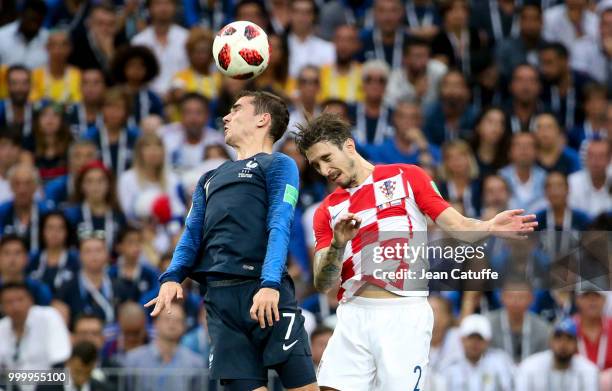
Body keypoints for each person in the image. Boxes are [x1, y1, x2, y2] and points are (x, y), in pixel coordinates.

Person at [294, 113, 537, 390]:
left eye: (327, 158)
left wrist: (490, 226)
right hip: (354, 313)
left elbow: (457, 226)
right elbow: (322, 282)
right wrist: (338, 243)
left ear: (348, 146)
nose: (325, 171)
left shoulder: (406, 176)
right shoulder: (326, 210)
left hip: (403, 313)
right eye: (316, 165)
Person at [146, 91, 318, 391]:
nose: (226, 117)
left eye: (237, 110)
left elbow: (280, 224)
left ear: (263, 119)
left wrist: (269, 284)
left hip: (264, 292)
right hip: (221, 301)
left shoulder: (279, 164)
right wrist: (172, 275)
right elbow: (191, 233)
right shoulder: (208, 178)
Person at [124, 302, 205, 390]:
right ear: (155, 323)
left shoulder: (195, 363)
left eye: (177, 320)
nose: (172, 324)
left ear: (184, 326)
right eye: (167, 319)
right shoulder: (133, 360)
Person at [0, 282, 71, 370]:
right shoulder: (1, 327)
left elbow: (60, 362)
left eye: (20, 300)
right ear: (2, 307)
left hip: (50, 380)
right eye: (9, 302)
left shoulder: (49, 316)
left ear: (31, 300)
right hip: (9, 382)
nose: (15, 307)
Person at [515, 317, 600, 391]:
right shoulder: (530, 367)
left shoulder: (588, 370)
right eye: (558, 337)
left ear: (576, 344)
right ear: (550, 341)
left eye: (569, 338)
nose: (563, 344)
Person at [131, 0, 188, 96]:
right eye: (158, 3)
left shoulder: (186, 38)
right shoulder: (138, 42)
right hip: (148, 99)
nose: (163, 8)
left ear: (174, 7)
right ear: (149, 8)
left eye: (167, 3)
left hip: (181, 98)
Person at [486, 281, 551, 364]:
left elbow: (544, 360)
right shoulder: (488, 324)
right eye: (510, 296)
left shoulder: (543, 328)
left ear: (531, 299)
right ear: (501, 298)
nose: (515, 301)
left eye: (521, 297)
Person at [444, 314, 515, 391]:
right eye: (470, 338)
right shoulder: (449, 365)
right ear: (462, 339)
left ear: (488, 341)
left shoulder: (500, 363)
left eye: (480, 338)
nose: (474, 343)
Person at [158, 92, 225, 173]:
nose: (193, 118)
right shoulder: (164, 135)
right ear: (180, 115)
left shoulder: (219, 141)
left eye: (198, 112)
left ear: (208, 116)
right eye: (188, 112)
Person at [0, 163, 54, 252]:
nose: (22, 189)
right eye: (17, 183)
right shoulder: (2, 211)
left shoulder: (47, 212)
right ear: (10, 186)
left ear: (36, 186)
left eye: (28, 183)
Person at [384, 37, 447, 107]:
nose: (422, 60)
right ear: (405, 59)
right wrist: (414, 93)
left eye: (425, 56)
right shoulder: (395, 77)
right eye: (417, 56)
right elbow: (390, 104)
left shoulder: (439, 70)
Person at [27, 211, 79, 294]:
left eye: (60, 228)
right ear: (42, 231)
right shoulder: (31, 260)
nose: (54, 233)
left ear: (67, 232)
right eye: (50, 228)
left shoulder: (77, 261)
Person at [30, 29, 81, 104]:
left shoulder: (79, 75)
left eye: (63, 45)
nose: (58, 49)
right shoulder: (35, 75)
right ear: (46, 48)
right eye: (53, 45)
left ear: (70, 48)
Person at [287, 0, 335, 78]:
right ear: (290, 14)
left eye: (307, 12)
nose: (301, 17)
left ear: (314, 16)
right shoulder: (279, 47)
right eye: (297, 11)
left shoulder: (328, 49)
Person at [0, 234, 52, 305]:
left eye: (17, 253)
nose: (12, 259)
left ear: (26, 258)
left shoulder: (39, 290)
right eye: (6, 253)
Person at [319, 25, 363, 105]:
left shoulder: (365, 75)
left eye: (349, 40)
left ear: (357, 45)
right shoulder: (321, 74)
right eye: (340, 39)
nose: (343, 45)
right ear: (333, 43)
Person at [567, 139, 612, 218]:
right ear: (586, 158)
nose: (596, 161)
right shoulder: (572, 182)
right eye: (591, 156)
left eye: (601, 156)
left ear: (609, 159)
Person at [0, 0, 49, 68]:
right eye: (31, 18)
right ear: (21, 15)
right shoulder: (2, 36)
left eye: (38, 20)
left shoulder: (48, 39)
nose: (33, 25)